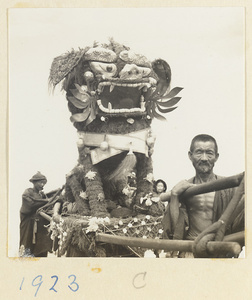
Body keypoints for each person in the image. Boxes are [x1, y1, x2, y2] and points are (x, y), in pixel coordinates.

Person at [162, 134, 244, 257]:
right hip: (191, 249)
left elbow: (240, 220)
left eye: (209, 153)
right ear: (190, 155)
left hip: (219, 248)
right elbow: (175, 228)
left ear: (216, 157)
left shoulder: (229, 188)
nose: (204, 158)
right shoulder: (182, 189)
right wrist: (174, 196)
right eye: (199, 152)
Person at [19, 172, 61, 257]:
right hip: (28, 224)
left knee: (40, 246)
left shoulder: (42, 194)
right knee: (27, 244)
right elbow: (30, 205)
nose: (42, 185)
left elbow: (46, 206)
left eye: (44, 183)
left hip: (40, 226)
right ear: (34, 182)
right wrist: (47, 201)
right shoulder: (27, 192)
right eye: (41, 183)